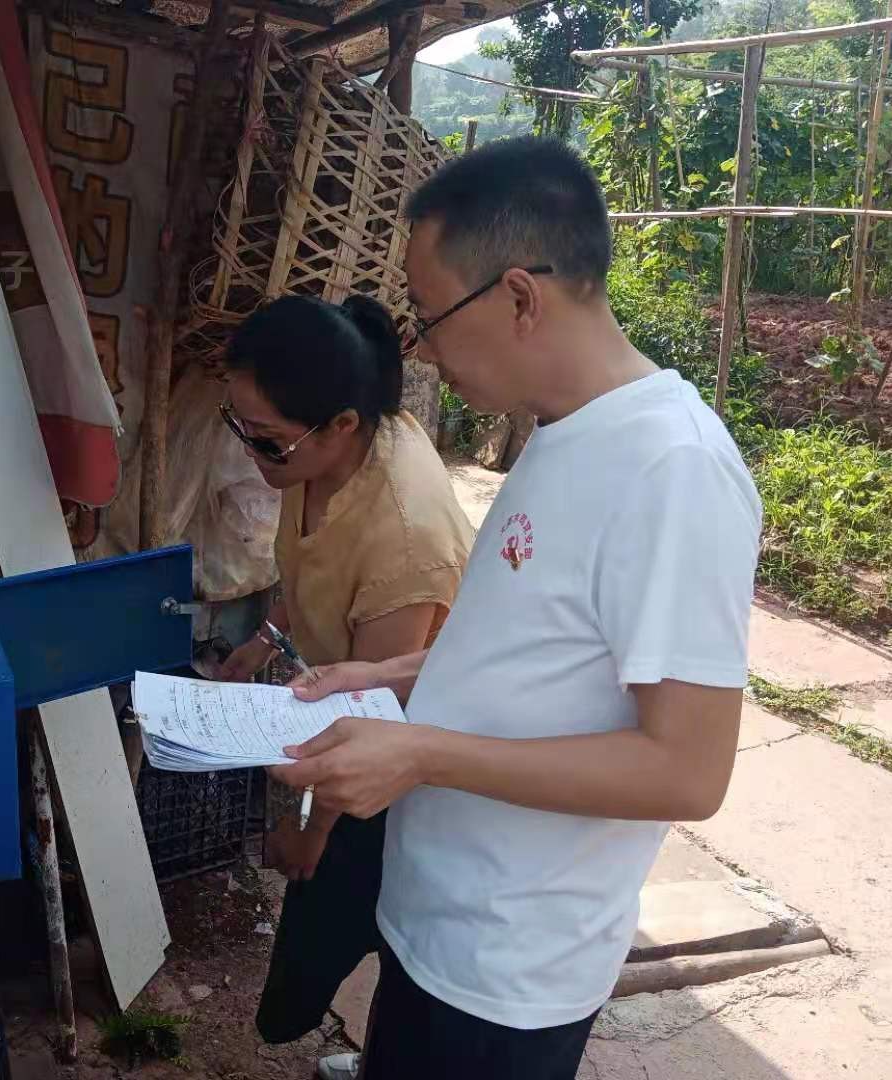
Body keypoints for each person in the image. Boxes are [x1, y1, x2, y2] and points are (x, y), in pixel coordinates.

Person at [272, 136, 762, 1080]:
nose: (421, 348)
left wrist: (421, 753)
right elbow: (539, 649)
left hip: (511, 966)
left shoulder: (674, 471)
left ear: (520, 298)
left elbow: (687, 770)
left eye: (428, 316)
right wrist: (389, 675)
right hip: (438, 917)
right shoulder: (565, 430)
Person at [214, 292, 473, 1080]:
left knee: (353, 910)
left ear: (341, 425)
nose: (250, 452)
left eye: (264, 438)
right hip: (357, 713)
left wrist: (307, 830)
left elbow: (371, 717)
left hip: (407, 759)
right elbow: (309, 561)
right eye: (238, 427)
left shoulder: (405, 537)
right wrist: (262, 642)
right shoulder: (317, 454)